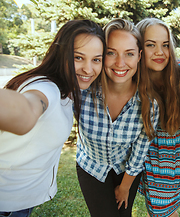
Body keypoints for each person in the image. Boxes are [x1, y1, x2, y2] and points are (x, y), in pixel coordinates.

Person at [0, 19, 105, 217]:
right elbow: (28, 109)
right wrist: (24, 113)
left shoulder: (69, 90)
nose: (88, 69)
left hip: (18, 202)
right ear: (61, 54)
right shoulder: (47, 88)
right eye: (78, 58)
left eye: (96, 60)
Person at [76, 18, 159, 217]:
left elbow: (140, 151)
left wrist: (125, 187)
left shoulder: (149, 104)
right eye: (111, 53)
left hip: (126, 171)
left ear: (139, 56)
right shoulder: (82, 93)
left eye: (128, 54)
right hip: (91, 167)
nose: (120, 63)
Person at [136, 18, 180, 217]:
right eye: (150, 45)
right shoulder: (131, 79)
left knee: (163, 211)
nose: (159, 52)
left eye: (165, 45)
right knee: (159, 210)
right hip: (152, 161)